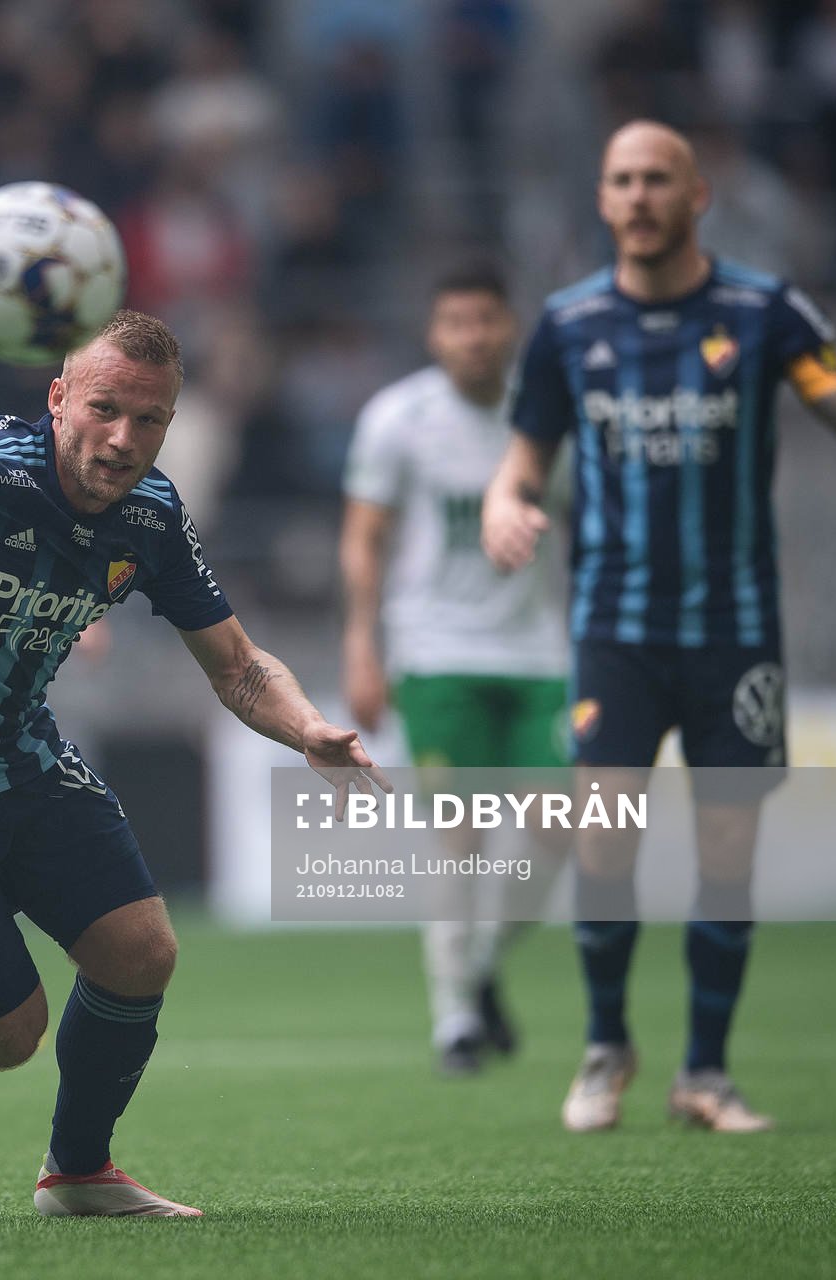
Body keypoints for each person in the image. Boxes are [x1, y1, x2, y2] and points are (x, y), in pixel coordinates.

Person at [0, 311, 388, 1217]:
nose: (125, 440)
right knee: (4, 1033)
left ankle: (78, 1172)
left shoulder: (152, 516)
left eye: (151, 420)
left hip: (22, 757)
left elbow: (241, 666)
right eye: (105, 409)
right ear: (58, 400)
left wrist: (307, 729)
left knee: (141, 954)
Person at [483, 120, 836, 1134]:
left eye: (657, 180)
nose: (637, 196)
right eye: (621, 180)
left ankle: (706, 1073)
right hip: (615, 631)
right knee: (605, 843)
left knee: (727, 852)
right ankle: (604, 1046)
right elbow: (522, 458)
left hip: (735, 634)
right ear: (602, 199)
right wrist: (508, 502)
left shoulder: (764, 313)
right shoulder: (567, 324)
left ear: (697, 194)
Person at [339, 262, 570, 1078]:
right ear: (436, 333)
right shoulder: (398, 418)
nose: (473, 336)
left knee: (560, 824)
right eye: (456, 322)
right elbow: (365, 538)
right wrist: (362, 648)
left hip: (540, 648)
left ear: (511, 328)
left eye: (486, 320)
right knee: (459, 836)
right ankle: (455, 1022)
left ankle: (478, 965)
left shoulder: (548, 414)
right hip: (435, 651)